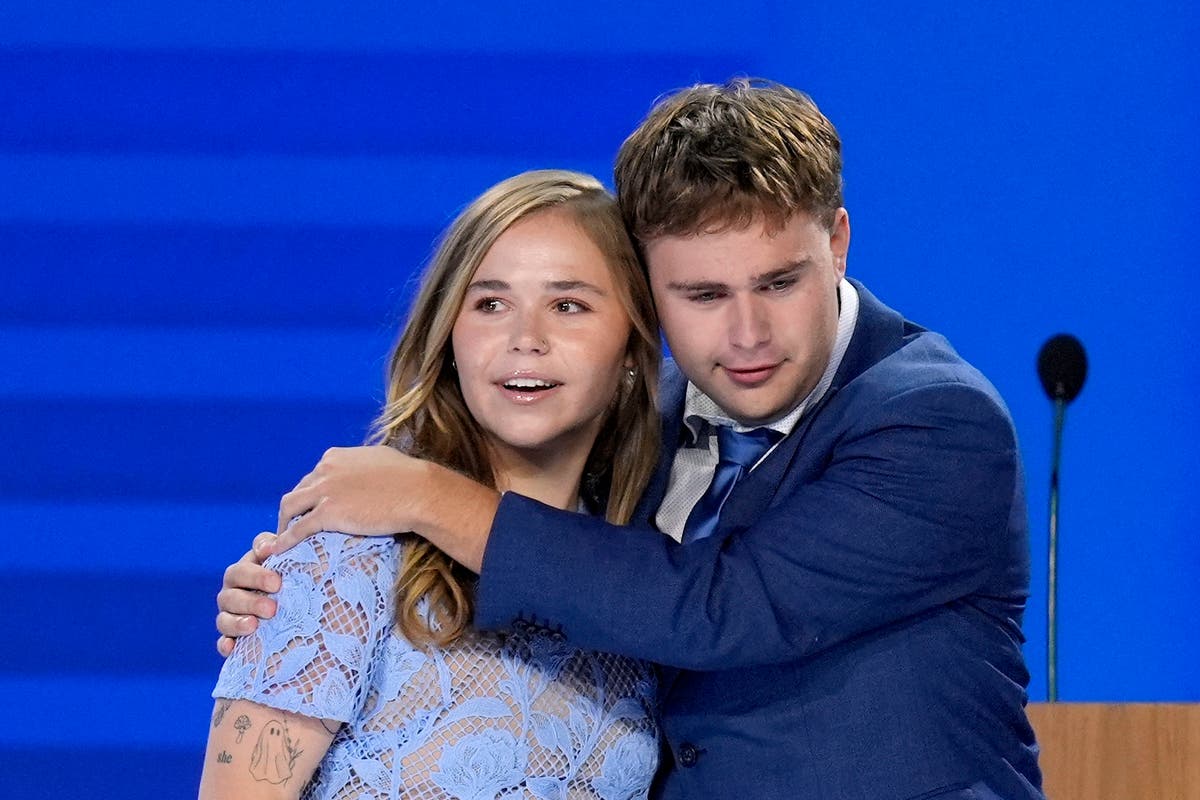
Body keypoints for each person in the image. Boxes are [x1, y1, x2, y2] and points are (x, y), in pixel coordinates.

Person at [217, 80, 1044, 799]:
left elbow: (719, 609)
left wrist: (428, 496)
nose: (747, 333)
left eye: (780, 283)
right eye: (704, 294)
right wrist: (295, 596)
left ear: (836, 242)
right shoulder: (642, 429)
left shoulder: (937, 421)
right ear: (649, 298)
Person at [200, 170, 666, 799]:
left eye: (568, 304)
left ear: (634, 350)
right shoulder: (347, 551)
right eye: (490, 303)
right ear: (449, 338)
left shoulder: (644, 585)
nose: (526, 340)